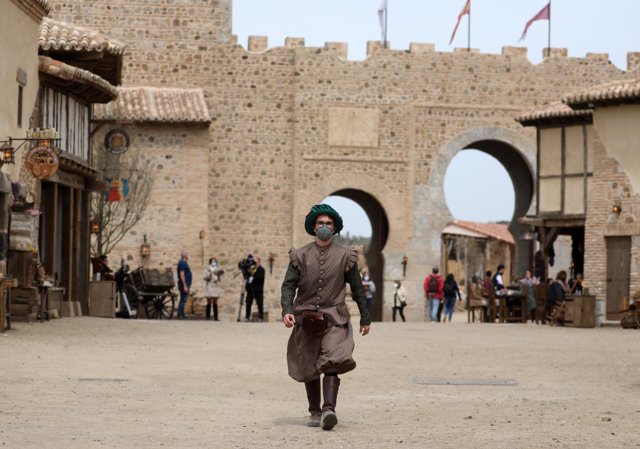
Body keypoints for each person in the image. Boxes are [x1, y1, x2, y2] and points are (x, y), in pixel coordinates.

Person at [281, 204, 371, 431]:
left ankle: (329, 408)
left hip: (335, 318)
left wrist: (365, 318)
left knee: (333, 359)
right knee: (309, 364)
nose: (324, 227)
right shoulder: (299, 256)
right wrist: (287, 310)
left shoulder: (346, 256)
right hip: (306, 318)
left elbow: (358, 289)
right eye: (320, 223)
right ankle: (314, 410)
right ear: (313, 226)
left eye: (328, 223)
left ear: (335, 228)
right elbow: (288, 286)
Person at [245, 257, 265, 321]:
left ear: (258, 262)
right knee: (248, 303)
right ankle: (247, 317)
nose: (254, 263)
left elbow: (260, 277)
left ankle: (261, 317)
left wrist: (253, 272)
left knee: (260, 303)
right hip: (250, 289)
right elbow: (246, 277)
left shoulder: (261, 269)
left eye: (255, 262)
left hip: (258, 290)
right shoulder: (250, 268)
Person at [177, 250, 192, 320]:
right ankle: (180, 315)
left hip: (186, 284)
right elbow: (182, 275)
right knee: (183, 299)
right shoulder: (182, 263)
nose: (189, 255)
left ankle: (182, 313)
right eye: (188, 254)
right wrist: (185, 285)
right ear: (185, 256)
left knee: (184, 299)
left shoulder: (185, 263)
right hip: (183, 285)